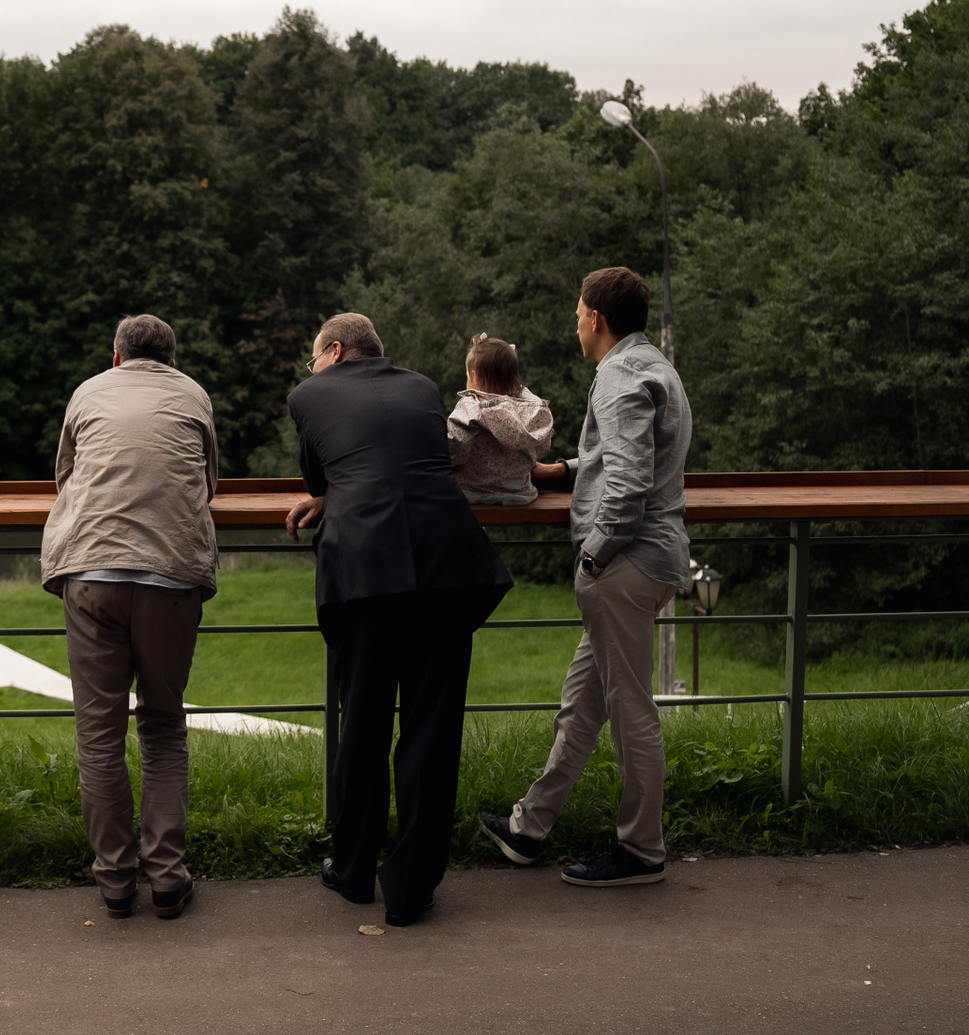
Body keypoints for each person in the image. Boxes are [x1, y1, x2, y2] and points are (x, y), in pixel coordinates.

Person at [285, 313, 511, 927]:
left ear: (334, 350)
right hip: (448, 564)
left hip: (366, 568)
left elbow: (322, 474)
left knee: (363, 723)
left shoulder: (308, 395)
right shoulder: (422, 387)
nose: (311, 369)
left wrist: (330, 493)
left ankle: (353, 869)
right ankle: (411, 889)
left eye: (313, 357)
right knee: (431, 731)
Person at [480, 267, 692, 887]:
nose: (575, 326)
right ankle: (529, 828)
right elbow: (629, 456)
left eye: (577, 316)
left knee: (631, 713)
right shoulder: (653, 364)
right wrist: (565, 471)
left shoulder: (618, 377)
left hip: (624, 565)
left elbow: (629, 482)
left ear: (596, 319)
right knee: (582, 705)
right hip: (645, 561)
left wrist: (594, 556)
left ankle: (642, 851)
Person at [40, 314, 219, 922]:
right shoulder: (193, 395)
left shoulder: (88, 391)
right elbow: (206, 484)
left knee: (99, 733)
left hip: (91, 573)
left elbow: (66, 478)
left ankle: (115, 880)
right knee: (163, 723)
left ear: (116, 357)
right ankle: (167, 877)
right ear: (172, 359)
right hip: (171, 576)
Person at [448, 333, 554, 504]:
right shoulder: (532, 409)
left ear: (476, 376)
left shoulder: (472, 406)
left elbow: (454, 449)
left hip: (473, 492)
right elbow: (543, 446)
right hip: (520, 492)